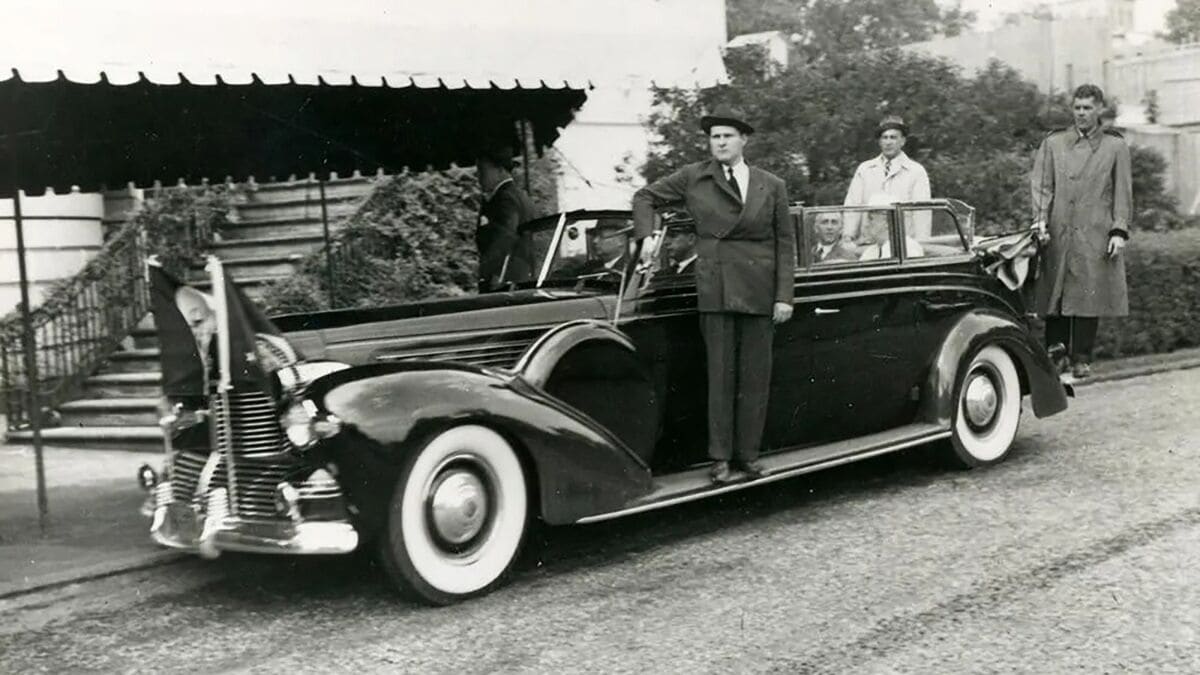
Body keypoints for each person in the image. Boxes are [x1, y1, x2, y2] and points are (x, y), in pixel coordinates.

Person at [632, 106, 795, 484]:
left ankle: (748, 456)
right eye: (714, 137)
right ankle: (720, 458)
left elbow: (784, 244)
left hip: (759, 289)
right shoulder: (694, 176)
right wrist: (646, 236)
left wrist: (784, 296)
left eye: (727, 136)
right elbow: (644, 196)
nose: (719, 143)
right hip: (716, 287)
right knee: (720, 378)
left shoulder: (771, 184)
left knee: (755, 378)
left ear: (743, 140)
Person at [1031, 83, 1132, 379]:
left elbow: (1122, 192)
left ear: (1099, 109)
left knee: (1089, 292)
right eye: (1077, 108)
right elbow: (1042, 186)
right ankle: (1056, 354)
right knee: (1056, 291)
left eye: (1087, 108)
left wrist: (1118, 230)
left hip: (1095, 231)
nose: (1081, 113)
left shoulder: (1115, 146)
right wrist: (1040, 221)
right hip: (1059, 229)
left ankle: (1082, 357)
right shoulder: (1054, 143)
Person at [844, 115, 931, 240]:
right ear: (880, 142)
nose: (888, 142)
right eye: (885, 137)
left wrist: (921, 243)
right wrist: (848, 236)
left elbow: (922, 213)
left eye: (893, 137)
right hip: (869, 241)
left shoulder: (916, 171)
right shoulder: (865, 169)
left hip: (903, 244)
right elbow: (853, 205)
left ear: (902, 141)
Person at [475, 146, 537, 292]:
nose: (479, 177)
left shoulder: (503, 199)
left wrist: (494, 272)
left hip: (503, 278)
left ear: (500, 170)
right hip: (521, 274)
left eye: (483, 171)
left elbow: (505, 237)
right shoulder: (521, 195)